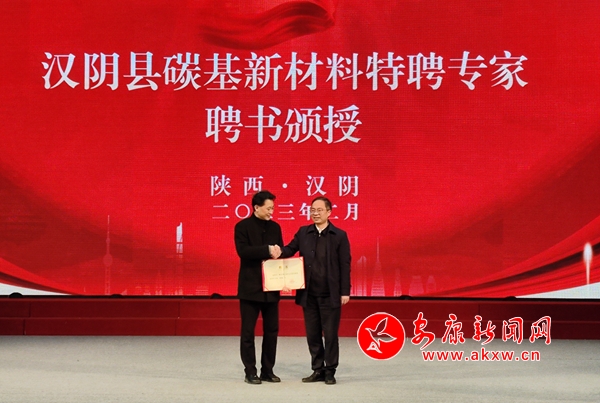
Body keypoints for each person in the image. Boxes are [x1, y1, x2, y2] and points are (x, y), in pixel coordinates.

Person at [281, 196, 351, 385]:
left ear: (329, 212)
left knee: (330, 335)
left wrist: (345, 291)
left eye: (319, 210)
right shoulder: (304, 233)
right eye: (312, 210)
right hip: (309, 294)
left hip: (330, 294)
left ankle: (330, 370)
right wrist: (276, 252)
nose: (315, 213)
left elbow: (345, 265)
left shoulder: (339, 235)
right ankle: (317, 369)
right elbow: (290, 249)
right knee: (312, 335)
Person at [234, 190, 283, 385]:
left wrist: (279, 253)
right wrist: (267, 250)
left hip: (271, 287)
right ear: (256, 207)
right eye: (268, 208)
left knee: (272, 331)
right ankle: (250, 371)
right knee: (248, 332)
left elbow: (279, 251)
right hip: (250, 288)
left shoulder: (275, 227)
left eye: (273, 208)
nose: (272, 211)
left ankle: (268, 370)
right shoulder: (242, 226)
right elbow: (243, 251)